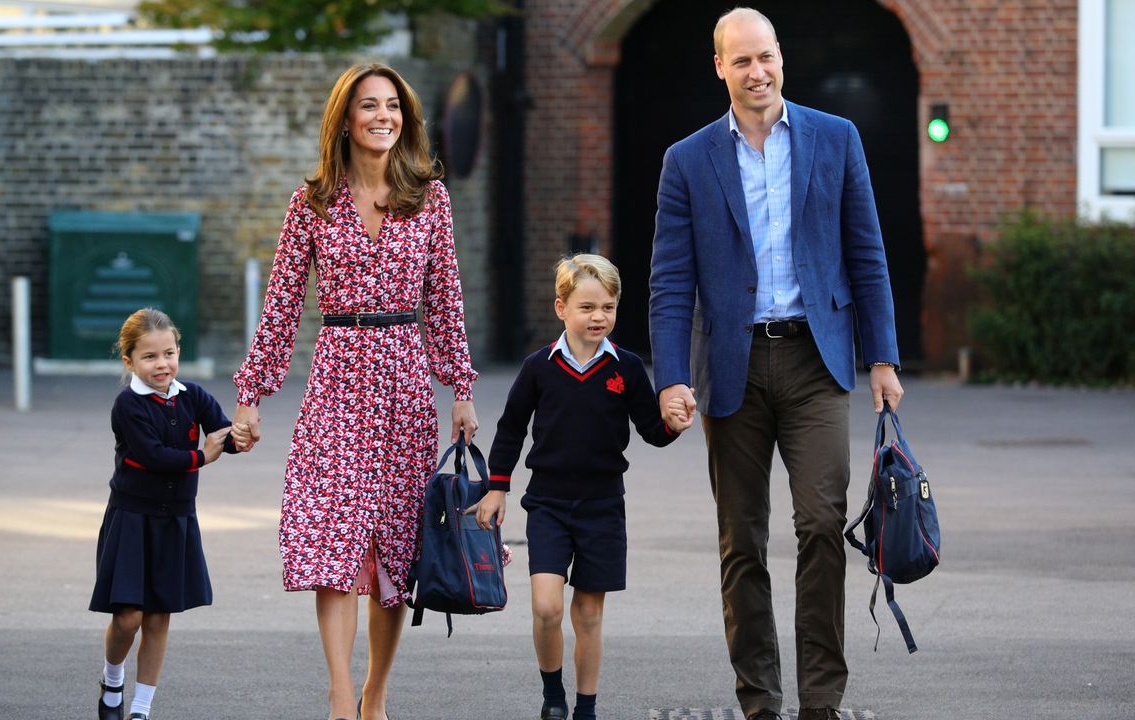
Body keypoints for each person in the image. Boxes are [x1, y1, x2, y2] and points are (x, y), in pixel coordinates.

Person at [648, 8, 906, 720]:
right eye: (742, 61)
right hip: (730, 367)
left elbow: (868, 254)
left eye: (766, 57)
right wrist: (671, 376)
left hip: (816, 362)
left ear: (781, 58)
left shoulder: (836, 138)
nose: (757, 72)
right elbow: (671, 282)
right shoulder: (688, 159)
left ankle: (820, 701)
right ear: (720, 68)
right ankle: (759, 700)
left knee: (822, 524)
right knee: (742, 541)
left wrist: (881, 357)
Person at [228, 62, 479, 720]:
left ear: (406, 117)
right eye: (368, 106)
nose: (382, 117)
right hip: (337, 378)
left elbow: (446, 302)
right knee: (332, 540)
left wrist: (460, 386)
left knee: (396, 551)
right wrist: (251, 392)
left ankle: (376, 696)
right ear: (345, 118)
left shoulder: (430, 197)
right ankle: (341, 698)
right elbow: (281, 308)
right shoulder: (311, 202)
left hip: (404, 382)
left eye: (392, 106)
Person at [474, 254, 692, 720]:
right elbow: (511, 428)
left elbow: (651, 430)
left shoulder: (627, 368)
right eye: (587, 307)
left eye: (608, 308)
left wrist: (673, 424)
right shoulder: (539, 367)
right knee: (548, 607)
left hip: (603, 506)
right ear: (561, 308)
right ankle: (553, 696)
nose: (599, 317)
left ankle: (586, 708)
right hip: (548, 504)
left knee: (589, 615)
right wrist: (497, 488)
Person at [91, 307, 239, 720]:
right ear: (129, 361)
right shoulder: (128, 405)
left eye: (169, 353)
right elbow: (153, 457)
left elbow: (222, 429)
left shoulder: (192, 396)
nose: (162, 365)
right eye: (150, 357)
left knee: (158, 618)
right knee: (128, 617)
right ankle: (112, 680)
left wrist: (240, 435)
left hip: (176, 519)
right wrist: (203, 456)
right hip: (132, 518)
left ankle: (141, 708)